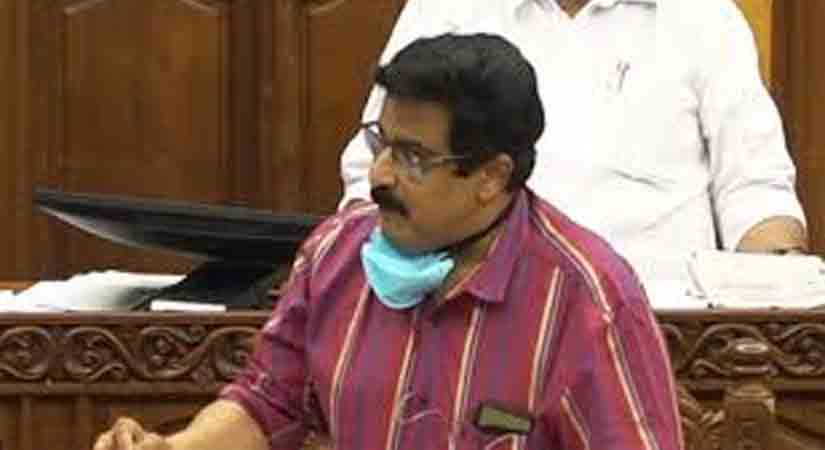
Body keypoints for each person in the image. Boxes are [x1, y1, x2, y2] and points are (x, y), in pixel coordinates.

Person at [93, 33, 682, 450]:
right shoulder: (336, 254)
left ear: (491, 176)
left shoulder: (588, 301)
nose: (379, 176)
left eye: (413, 158)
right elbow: (269, 403)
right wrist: (178, 448)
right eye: (382, 144)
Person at [339, 0, 808, 290]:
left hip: (667, 330)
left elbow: (756, 191)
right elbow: (373, 173)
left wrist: (779, 298)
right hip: (467, 315)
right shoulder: (446, 9)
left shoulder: (705, 16)